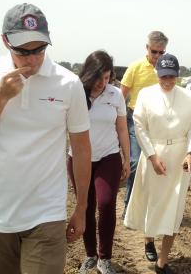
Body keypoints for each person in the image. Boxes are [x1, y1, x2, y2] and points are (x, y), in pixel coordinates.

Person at [0, 3, 91, 274]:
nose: (32, 59)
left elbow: (82, 149)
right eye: (23, 50)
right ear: (5, 41)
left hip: (46, 213)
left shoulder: (68, 83)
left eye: (39, 49)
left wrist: (82, 207)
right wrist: (1, 97)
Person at [124, 54, 191, 274]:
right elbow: (139, 127)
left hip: (179, 159)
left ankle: (162, 262)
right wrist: (151, 156)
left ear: (178, 75)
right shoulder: (146, 95)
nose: (167, 80)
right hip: (154, 155)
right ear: (157, 74)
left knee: (175, 209)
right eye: (163, 76)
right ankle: (148, 239)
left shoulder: (188, 97)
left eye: (172, 76)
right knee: (152, 203)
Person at [67, 50, 130, 274]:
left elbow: (122, 128)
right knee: (86, 205)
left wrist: (126, 157)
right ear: (89, 74)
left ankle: (105, 258)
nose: (103, 83)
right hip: (79, 159)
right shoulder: (75, 93)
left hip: (108, 157)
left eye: (107, 78)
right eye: (99, 78)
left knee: (105, 204)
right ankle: (90, 255)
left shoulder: (115, 95)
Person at [120, 31, 168, 219]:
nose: (157, 56)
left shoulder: (166, 69)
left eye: (161, 52)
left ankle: (154, 208)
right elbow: (121, 96)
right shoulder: (135, 67)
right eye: (154, 51)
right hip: (135, 120)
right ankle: (129, 207)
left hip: (159, 122)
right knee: (134, 163)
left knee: (158, 165)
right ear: (146, 48)